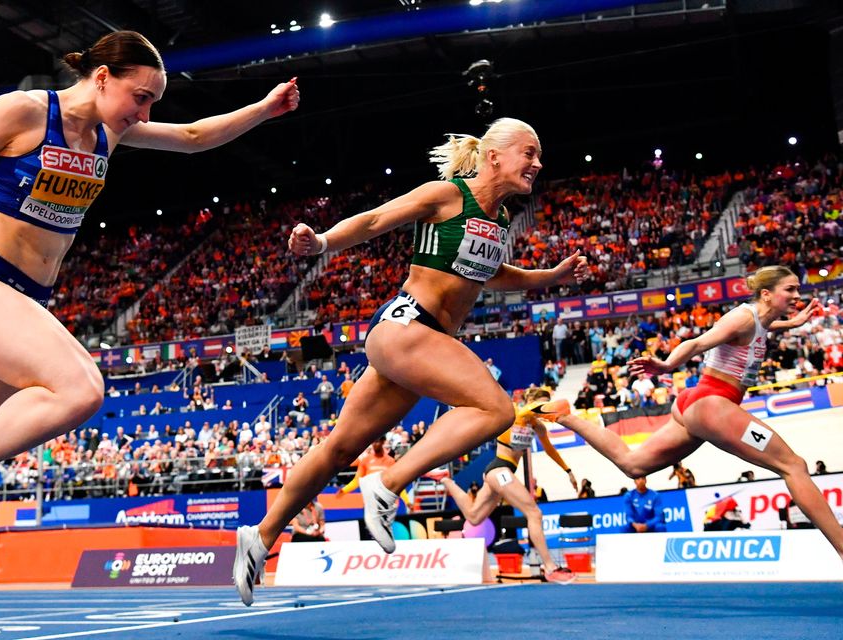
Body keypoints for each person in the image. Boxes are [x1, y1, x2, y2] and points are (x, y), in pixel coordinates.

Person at [0, 30, 299, 565]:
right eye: (141, 98)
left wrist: (263, 109)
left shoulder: (110, 134)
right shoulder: (24, 112)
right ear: (102, 78)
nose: (145, 115)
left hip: (22, 301)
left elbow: (195, 136)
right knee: (80, 390)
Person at [234, 117, 589, 605]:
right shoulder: (446, 195)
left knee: (339, 449)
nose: (538, 163)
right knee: (496, 410)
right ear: (493, 156)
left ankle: (260, 534)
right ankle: (390, 482)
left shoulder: (501, 221)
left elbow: (493, 275)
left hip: (421, 342)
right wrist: (320, 243)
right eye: (529, 152)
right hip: (406, 327)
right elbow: (376, 220)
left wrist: (550, 276)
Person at [537, 266, 843, 561]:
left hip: (694, 405)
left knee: (633, 465)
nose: (796, 295)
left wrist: (793, 323)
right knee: (794, 466)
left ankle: (566, 416)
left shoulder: (758, 321)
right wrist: (668, 365)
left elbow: (764, 326)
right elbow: (696, 342)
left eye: (797, 289)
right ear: (766, 294)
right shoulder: (742, 318)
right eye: (789, 289)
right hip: (713, 405)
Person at [440, 388, 578, 584]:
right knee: (534, 513)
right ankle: (550, 567)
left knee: (474, 516)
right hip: (499, 470)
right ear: (534, 403)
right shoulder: (516, 414)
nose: (547, 411)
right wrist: (546, 407)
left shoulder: (538, 427)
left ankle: (446, 480)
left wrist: (568, 471)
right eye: (544, 406)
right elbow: (530, 409)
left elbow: (550, 450)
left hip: (501, 473)